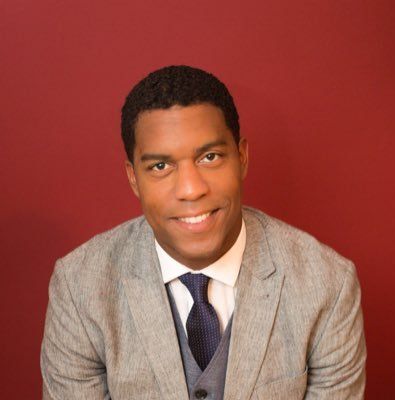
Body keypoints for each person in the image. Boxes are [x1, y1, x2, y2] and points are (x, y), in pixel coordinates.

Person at [41, 65, 366, 399]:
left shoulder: (328, 284)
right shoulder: (79, 287)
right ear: (133, 178)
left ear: (241, 158)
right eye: (160, 166)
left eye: (210, 157)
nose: (191, 190)